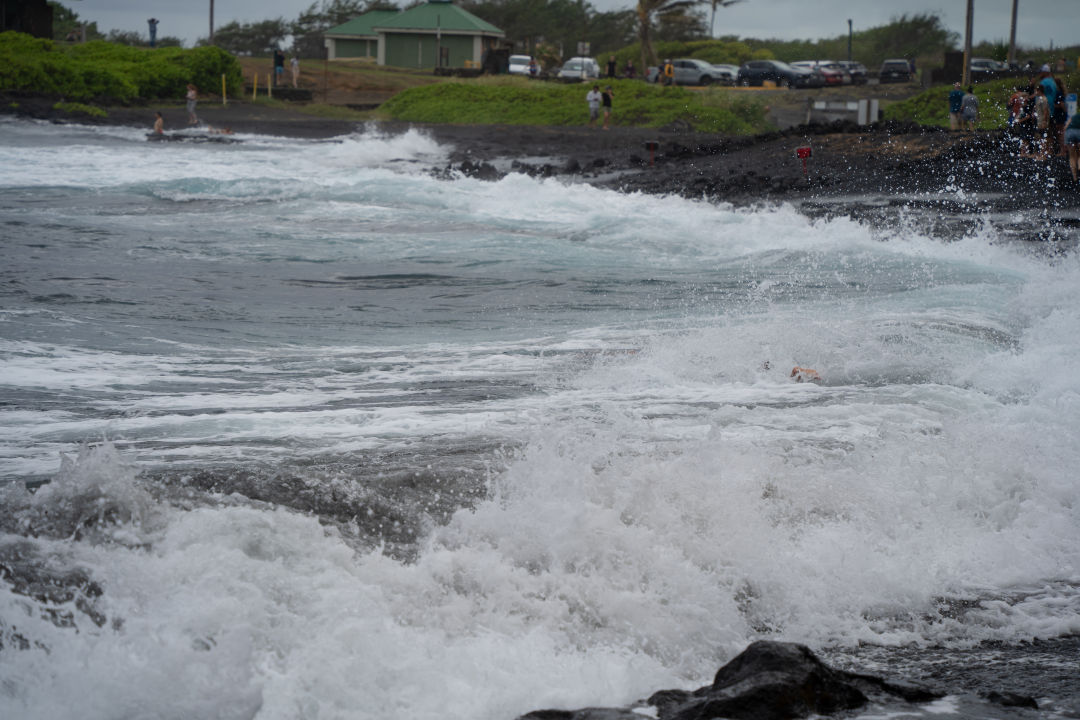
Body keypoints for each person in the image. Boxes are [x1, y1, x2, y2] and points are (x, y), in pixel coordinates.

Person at [1066, 111, 1080, 184]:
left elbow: (1066, 126)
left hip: (1070, 133)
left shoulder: (1074, 116)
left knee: (1072, 156)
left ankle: (1075, 178)